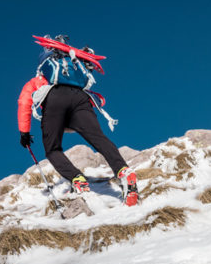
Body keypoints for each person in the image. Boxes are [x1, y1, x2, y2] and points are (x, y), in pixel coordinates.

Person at [17, 36, 139, 206]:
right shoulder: (72, 70)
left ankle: (77, 179)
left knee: (52, 149)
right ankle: (122, 171)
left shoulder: (37, 80)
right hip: (80, 98)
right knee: (98, 138)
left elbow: (24, 102)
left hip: (54, 99)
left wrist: (24, 132)